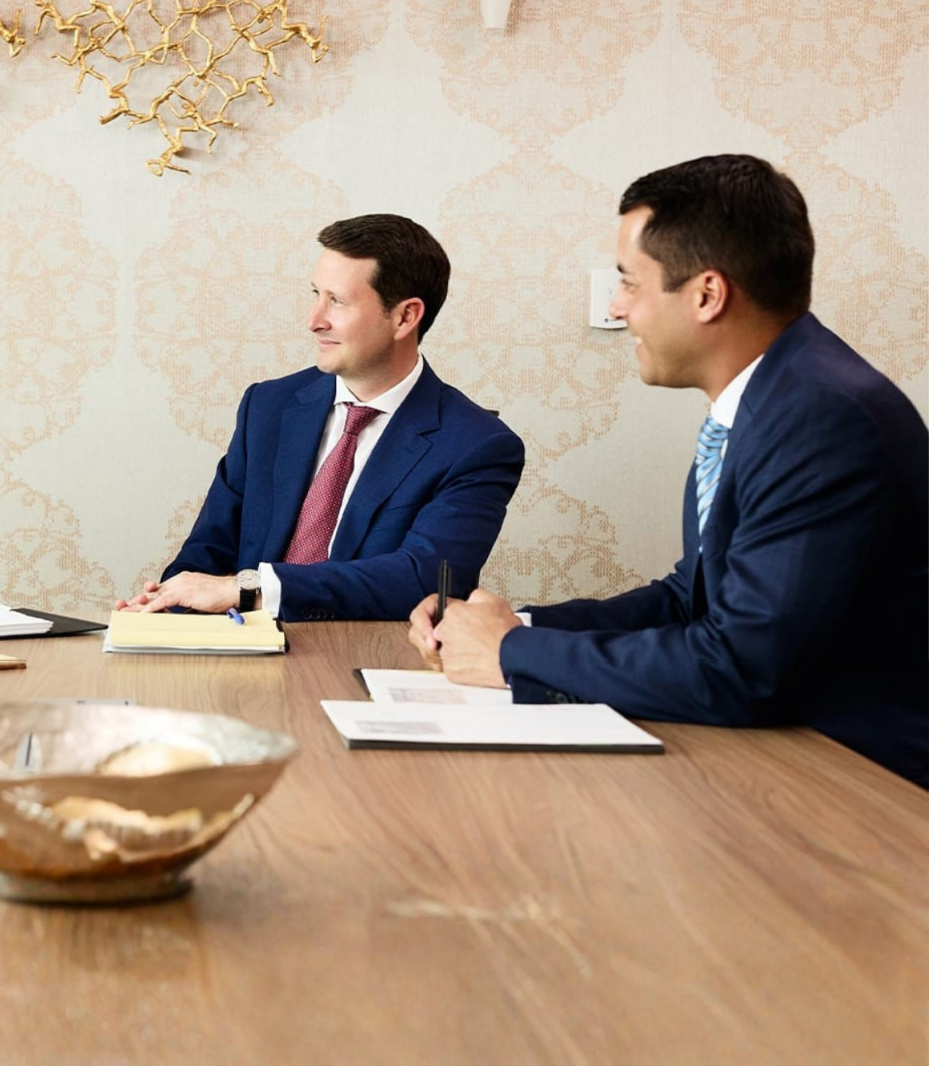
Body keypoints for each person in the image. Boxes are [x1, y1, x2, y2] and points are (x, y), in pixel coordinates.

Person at [409, 154, 928, 787]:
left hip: (860, 783)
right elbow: (692, 598)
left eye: (629, 281)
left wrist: (511, 652)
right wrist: (519, 625)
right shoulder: (772, 398)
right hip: (782, 755)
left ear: (707, 294)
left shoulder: (820, 417)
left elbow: (740, 669)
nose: (618, 305)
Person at [116, 214, 524, 622]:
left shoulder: (477, 445)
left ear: (405, 317)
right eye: (316, 294)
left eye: (338, 301)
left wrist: (247, 589)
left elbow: (422, 581)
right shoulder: (268, 406)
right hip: (238, 656)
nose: (314, 321)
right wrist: (166, 608)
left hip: (363, 664)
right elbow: (209, 550)